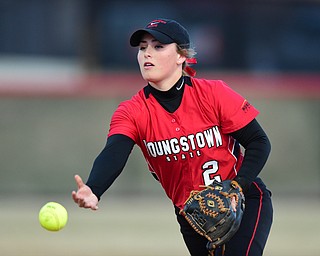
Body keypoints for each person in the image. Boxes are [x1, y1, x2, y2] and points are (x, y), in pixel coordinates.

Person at [72, 18, 273, 256]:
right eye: (143, 48)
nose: (147, 53)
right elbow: (114, 152)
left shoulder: (213, 94)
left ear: (180, 55)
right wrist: (94, 188)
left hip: (243, 199)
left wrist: (238, 186)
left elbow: (259, 142)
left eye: (158, 46)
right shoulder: (132, 111)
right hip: (191, 217)